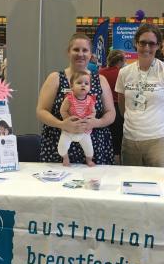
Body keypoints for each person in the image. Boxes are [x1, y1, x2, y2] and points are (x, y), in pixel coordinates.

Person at [36, 33, 115, 165]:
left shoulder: (100, 80)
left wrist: (97, 122)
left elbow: (111, 113)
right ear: (68, 52)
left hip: (95, 148)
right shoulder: (55, 78)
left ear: (91, 54)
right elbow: (41, 111)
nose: (80, 54)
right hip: (58, 148)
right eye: (76, 49)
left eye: (85, 50)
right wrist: (61, 124)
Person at [115, 23, 164, 167]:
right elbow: (122, 107)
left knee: (160, 185)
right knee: (130, 185)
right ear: (136, 43)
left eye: (151, 44)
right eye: (143, 43)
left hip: (158, 141)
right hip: (130, 141)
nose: (146, 48)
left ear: (158, 46)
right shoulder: (124, 73)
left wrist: (161, 132)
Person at [58, 70, 97, 167]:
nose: (83, 85)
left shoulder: (90, 100)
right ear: (72, 87)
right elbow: (63, 110)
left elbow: (93, 112)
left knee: (89, 149)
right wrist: (68, 120)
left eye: (86, 83)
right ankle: (65, 158)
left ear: (90, 87)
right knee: (62, 147)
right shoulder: (69, 99)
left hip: (84, 130)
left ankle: (89, 160)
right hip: (69, 129)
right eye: (79, 83)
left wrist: (90, 118)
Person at [99, 50, 125, 162]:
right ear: (120, 61)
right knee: (117, 142)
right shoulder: (122, 74)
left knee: (105, 139)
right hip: (118, 109)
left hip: (103, 110)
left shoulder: (100, 73)